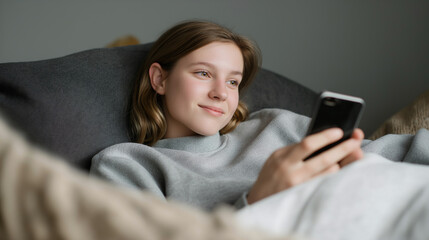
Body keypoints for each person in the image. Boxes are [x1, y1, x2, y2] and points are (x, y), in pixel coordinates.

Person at [90, 20, 365, 210]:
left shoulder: (276, 125)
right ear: (160, 79)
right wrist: (257, 202)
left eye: (233, 82)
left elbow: (393, 152)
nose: (221, 93)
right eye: (203, 73)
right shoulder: (126, 165)